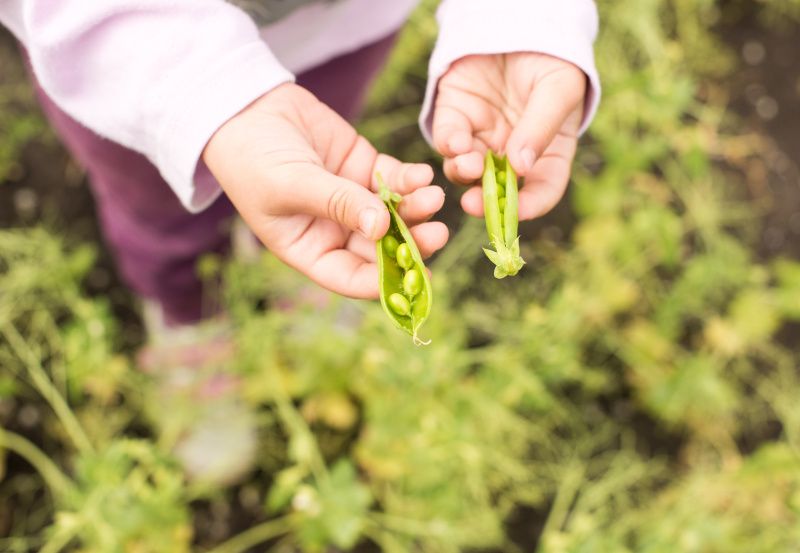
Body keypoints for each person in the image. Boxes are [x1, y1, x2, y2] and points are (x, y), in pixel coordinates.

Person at [0, 0, 600, 483]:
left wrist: (516, 16)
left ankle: (296, 269)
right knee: (162, 215)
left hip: (342, 23)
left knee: (321, 167)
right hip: (126, 53)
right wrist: (209, 96)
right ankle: (188, 315)